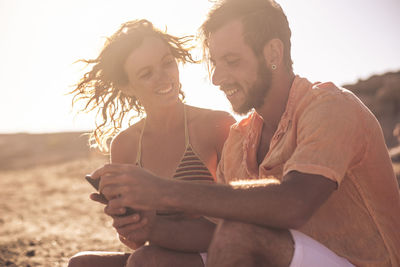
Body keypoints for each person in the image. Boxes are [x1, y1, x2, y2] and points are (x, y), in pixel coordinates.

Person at [91, 0, 400, 266]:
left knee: (241, 235)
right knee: (151, 261)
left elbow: (293, 203)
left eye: (232, 61)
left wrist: (161, 190)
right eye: (214, 62)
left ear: (273, 53)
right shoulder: (241, 138)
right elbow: (213, 231)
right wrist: (149, 227)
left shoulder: (329, 107)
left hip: (364, 262)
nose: (217, 78)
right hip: (289, 257)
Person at [67, 19, 235, 267]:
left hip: (218, 252)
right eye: (146, 74)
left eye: (167, 63)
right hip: (158, 255)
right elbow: (136, 244)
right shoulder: (125, 145)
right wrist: (126, 223)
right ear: (127, 87)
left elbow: (242, 217)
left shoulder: (217, 125)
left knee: (146, 261)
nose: (163, 77)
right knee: (81, 263)